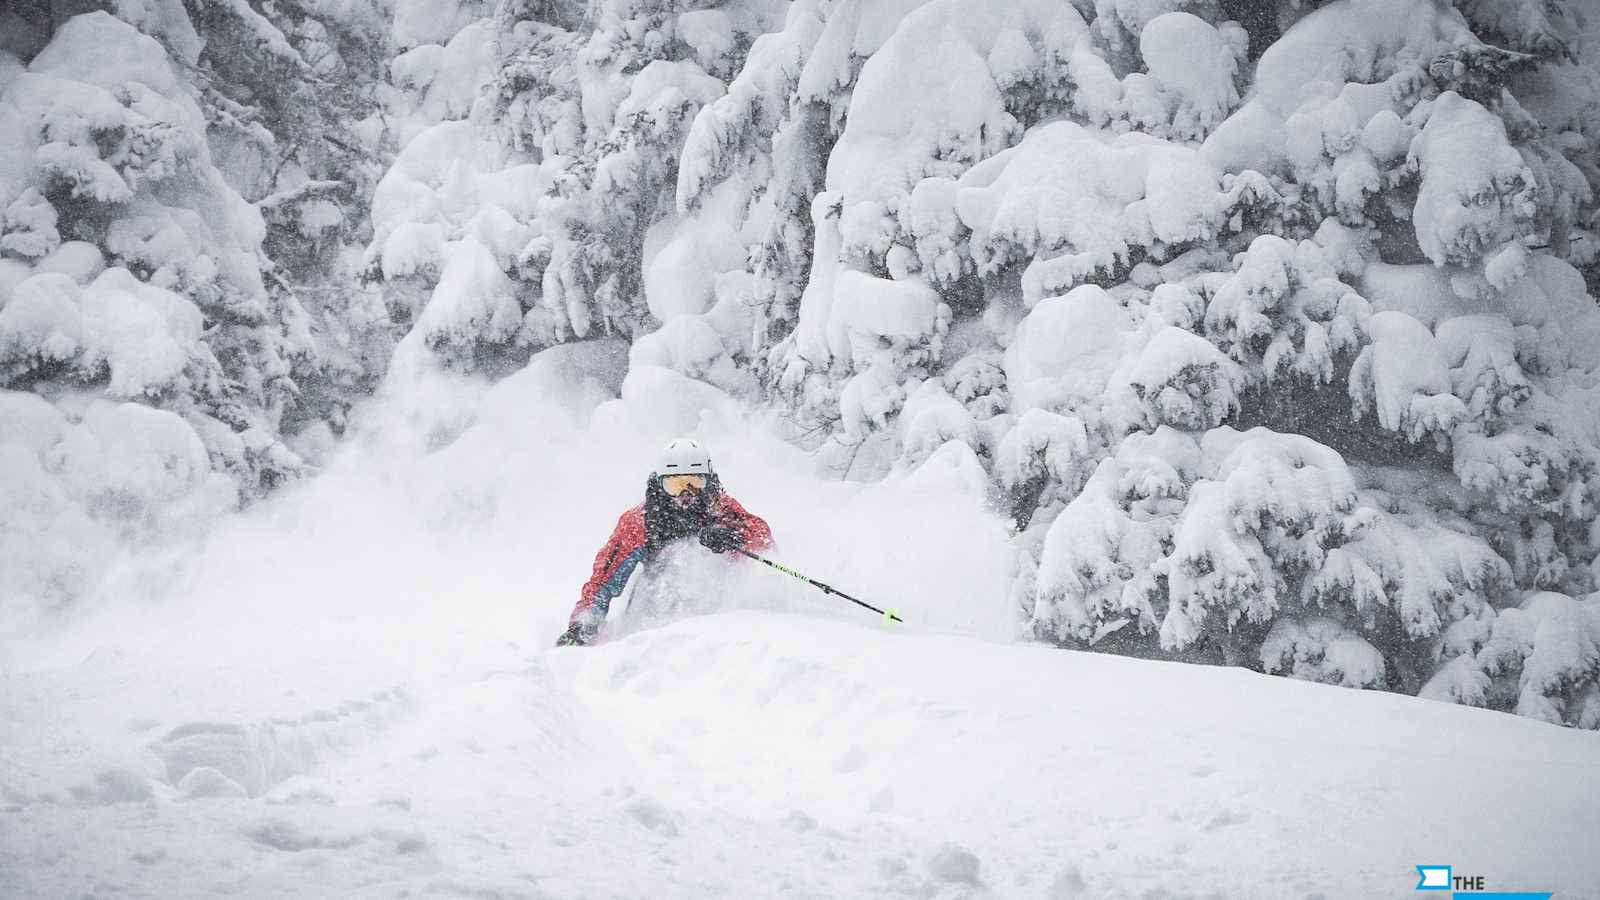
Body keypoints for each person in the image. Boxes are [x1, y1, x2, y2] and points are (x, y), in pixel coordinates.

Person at [555, 438, 773, 647]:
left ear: (709, 481)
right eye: (674, 484)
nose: (685, 494)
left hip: (716, 609)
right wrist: (583, 624)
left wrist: (732, 535)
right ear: (659, 483)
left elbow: (762, 537)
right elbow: (604, 578)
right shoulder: (642, 521)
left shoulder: (720, 509)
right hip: (655, 605)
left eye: (695, 482)